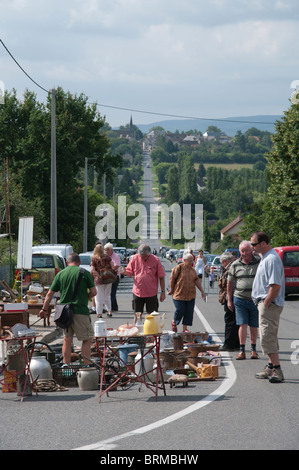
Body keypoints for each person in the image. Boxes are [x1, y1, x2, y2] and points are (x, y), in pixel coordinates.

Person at [39, 253, 96, 365]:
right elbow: (94, 292)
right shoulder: (85, 273)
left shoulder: (60, 274)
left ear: (67, 262)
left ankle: (66, 366)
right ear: (79, 262)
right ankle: (86, 367)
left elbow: (50, 293)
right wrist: (85, 298)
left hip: (64, 313)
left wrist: (44, 309)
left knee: (67, 339)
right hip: (80, 311)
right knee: (87, 339)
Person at [250, 231, 285, 383]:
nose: (252, 247)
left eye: (254, 244)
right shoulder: (266, 256)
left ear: (263, 244)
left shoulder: (271, 259)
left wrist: (266, 302)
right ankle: (270, 366)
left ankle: (277, 369)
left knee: (267, 335)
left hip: (269, 304)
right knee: (267, 335)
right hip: (266, 303)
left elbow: (275, 285)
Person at [227, 241, 260, 360]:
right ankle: (242, 351)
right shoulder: (235, 264)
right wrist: (229, 300)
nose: (244, 253)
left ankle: (253, 350)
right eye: (242, 251)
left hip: (255, 299)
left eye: (246, 250)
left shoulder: (258, 262)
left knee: (253, 325)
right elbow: (229, 283)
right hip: (239, 298)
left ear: (251, 250)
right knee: (242, 324)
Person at [122, 244, 166, 318]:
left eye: (145, 256)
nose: (143, 258)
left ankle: (151, 329)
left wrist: (163, 292)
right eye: (142, 256)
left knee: (152, 316)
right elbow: (129, 273)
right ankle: (137, 328)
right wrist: (124, 272)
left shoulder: (155, 260)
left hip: (151, 293)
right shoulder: (135, 258)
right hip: (138, 292)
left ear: (149, 254)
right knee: (137, 315)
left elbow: (161, 277)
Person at [168, 252, 206, 332]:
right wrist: (171, 290)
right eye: (190, 261)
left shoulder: (193, 270)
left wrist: (202, 291)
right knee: (180, 309)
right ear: (184, 260)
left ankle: (184, 329)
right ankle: (174, 322)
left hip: (190, 295)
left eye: (192, 260)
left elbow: (196, 281)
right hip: (179, 294)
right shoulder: (178, 268)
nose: (192, 262)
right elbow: (172, 279)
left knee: (189, 311)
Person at [218, 252, 240, 351]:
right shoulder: (236, 267)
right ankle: (236, 343)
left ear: (225, 261)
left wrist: (229, 300)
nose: (222, 264)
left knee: (230, 321)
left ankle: (229, 344)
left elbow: (230, 286)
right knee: (236, 321)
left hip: (232, 298)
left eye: (222, 262)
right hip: (237, 297)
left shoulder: (230, 270)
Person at [90, 243, 115, 317]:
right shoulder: (107, 257)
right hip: (108, 279)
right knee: (107, 296)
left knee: (98, 297)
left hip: (99, 281)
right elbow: (113, 267)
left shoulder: (94, 259)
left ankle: (99, 313)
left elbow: (93, 270)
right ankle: (109, 311)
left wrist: (99, 276)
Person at [104, 242, 121, 312]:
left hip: (115, 276)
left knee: (112, 292)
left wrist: (109, 268)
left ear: (111, 250)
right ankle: (115, 307)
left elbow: (117, 265)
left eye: (108, 250)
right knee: (110, 292)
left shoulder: (116, 256)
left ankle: (110, 307)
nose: (106, 251)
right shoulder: (105, 256)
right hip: (108, 276)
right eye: (105, 250)